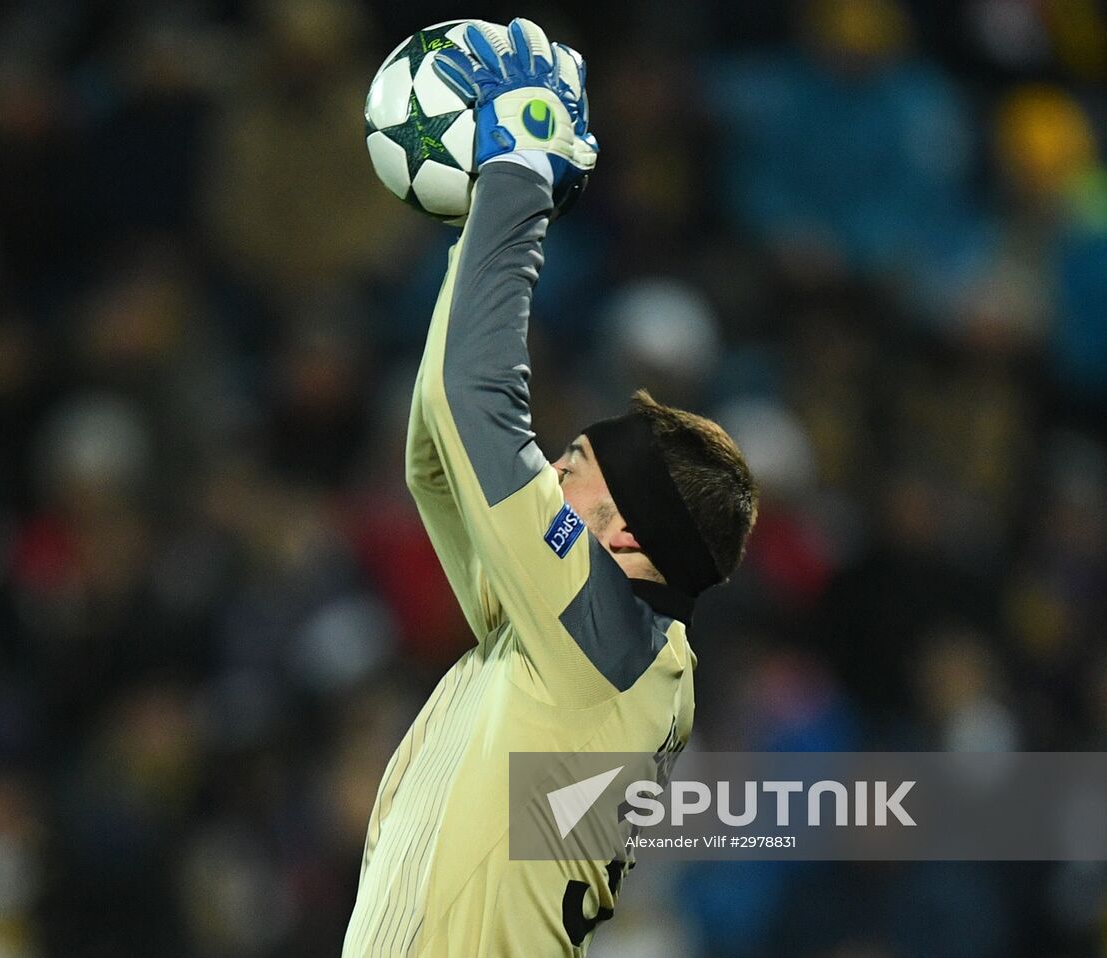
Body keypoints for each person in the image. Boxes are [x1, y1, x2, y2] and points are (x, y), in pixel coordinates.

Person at [342, 19, 758, 956]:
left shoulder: (599, 645)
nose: (555, 461)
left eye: (580, 465)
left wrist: (517, 179)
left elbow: (472, 404)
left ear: (626, 538)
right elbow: (438, 457)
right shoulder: (567, 642)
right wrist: (473, 228)